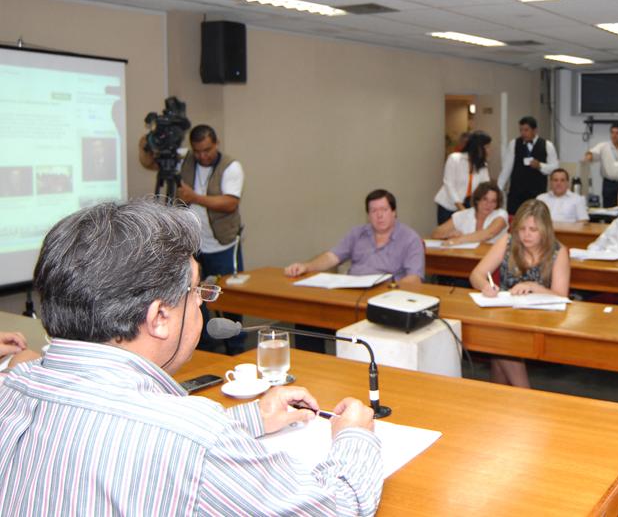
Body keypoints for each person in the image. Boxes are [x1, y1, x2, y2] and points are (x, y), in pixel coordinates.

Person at [0, 199, 382, 515]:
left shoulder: (12, 386)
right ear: (159, 318)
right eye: (197, 290)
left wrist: (250, 418)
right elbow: (338, 506)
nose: (201, 302)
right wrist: (354, 436)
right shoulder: (194, 438)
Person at [140, 124, 244, 351]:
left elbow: (230, 203)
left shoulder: (230, 167)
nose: (202, 156)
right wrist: (148, 141)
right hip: (192, 245)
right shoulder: (184, 159)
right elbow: (149, 162)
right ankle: (204, 346)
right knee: (193, 300)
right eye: (197, 151)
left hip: (221, 245)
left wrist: (194, 197)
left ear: (216, 144)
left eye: (207, 150)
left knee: (229, 301)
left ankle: (236, 347)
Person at [469, 200, 570, 388]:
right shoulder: (508, 241)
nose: (526, 235)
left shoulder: (558, 251)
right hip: (506, 314)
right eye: (522, 229)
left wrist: (533, 286)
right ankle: (514, 395)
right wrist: (485, 286)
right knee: (501, 340)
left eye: (533, 230)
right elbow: (476, 274)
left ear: (545, 230)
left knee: (501, 343)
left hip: (539, 319)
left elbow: (561, 296)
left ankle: (522, 393)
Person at [286, 189, 424, 285]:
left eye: (384, 209)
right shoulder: (357, 233)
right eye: (373, 211)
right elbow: (332, 257)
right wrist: (306, 266)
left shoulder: (410, 239)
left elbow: (415, 279)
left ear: (394, 212)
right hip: (352, 292)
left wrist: (389, 289)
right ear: (368, 215)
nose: (379, 215)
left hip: (387, 296)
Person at [496, 116, 559, 216]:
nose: (523, 133)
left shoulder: (547, 145)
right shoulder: (514, 144)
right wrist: (498, 189)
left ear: (535, 130)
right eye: (521, 130)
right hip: (516, 194)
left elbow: (555, 168)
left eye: (526, 130)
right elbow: (506, 169)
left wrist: (540, 166)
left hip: (537, 193)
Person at [434, 131, 491, 225]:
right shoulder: (454, 159)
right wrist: (461, 208)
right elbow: (449, 184)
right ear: (478, 147)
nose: (489, 150)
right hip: (448, 206)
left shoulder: (482, 165)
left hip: (468, 206)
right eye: (487, 147)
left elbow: (485, 187)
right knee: (445, 232)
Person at [432, 181, 508, 245]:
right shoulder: (464, 214)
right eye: (485, 199)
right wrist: (449, 234)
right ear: (477, 200)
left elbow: (488, 234)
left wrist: (459, 240)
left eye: (493, 201)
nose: (488, 204)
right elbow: (436, 233)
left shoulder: (501, 215)